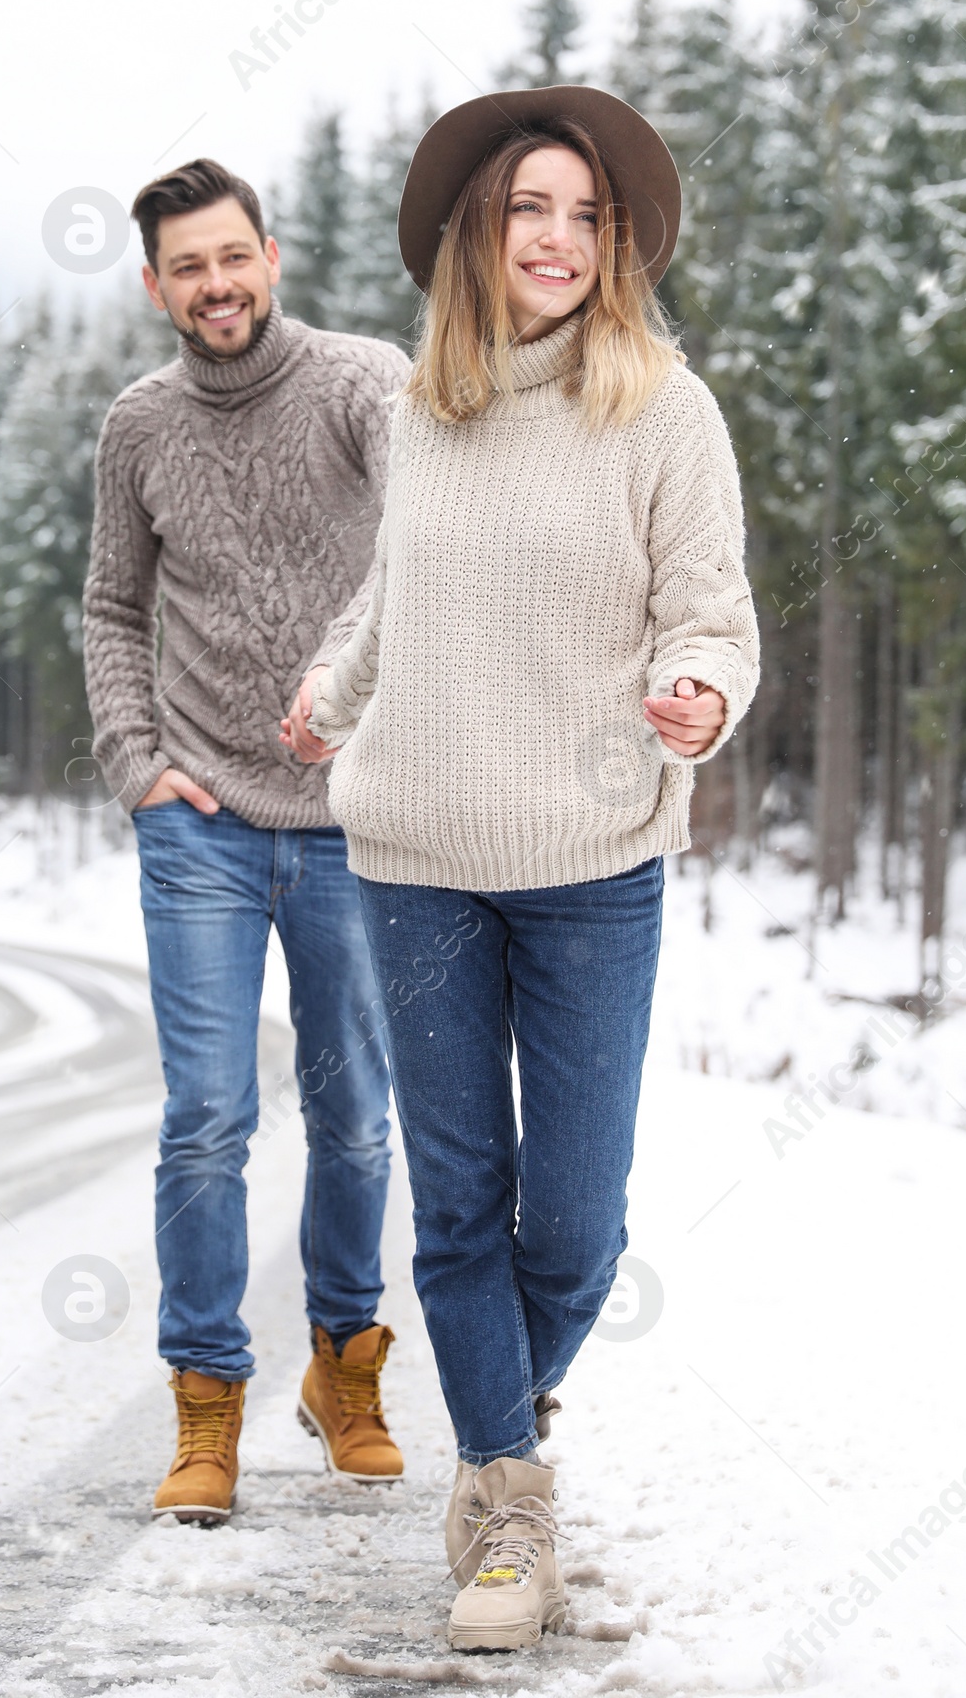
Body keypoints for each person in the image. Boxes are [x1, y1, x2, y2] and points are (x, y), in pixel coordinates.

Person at [285, 88, 759, 1650]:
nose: (556, 240)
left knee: (573, 1224)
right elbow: (393, 597)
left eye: (585, 216)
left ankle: (500, 1418)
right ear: (477, 238)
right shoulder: (432, 409)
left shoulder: (662, 409)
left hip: (594, 854)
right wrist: (331, 693)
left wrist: (700, 692)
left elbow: (710, 611)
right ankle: (510, 1499)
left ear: (613, 244)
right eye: (527, 211)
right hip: (413, 851)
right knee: (458, 1199)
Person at [84, 156, 412, 1525]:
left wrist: (351, 696)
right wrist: (136, 765)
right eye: (187, 267)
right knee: (205, 1121)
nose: (215, 285)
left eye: (235, 257)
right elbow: (112, 608)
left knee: (353, 1120)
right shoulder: (139, 428)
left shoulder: (357, 384)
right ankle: (206, 1405)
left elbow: (425, 544)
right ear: (156, 284)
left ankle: (345, 1371)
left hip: (352, 823)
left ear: (271, 257)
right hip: (202, 826)